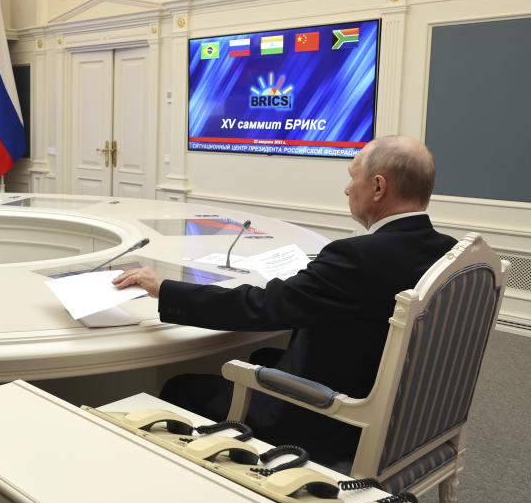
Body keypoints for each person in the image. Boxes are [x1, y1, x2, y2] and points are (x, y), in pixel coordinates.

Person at [112, 135, 457, 467]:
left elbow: (262, 307)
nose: (347, 188)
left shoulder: (356, 258)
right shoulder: (448, 252)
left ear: (379, 187)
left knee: (181, 387)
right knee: (263, 355)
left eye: (353, 178)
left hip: (336, 420)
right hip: (409, 410)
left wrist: (166, 288)